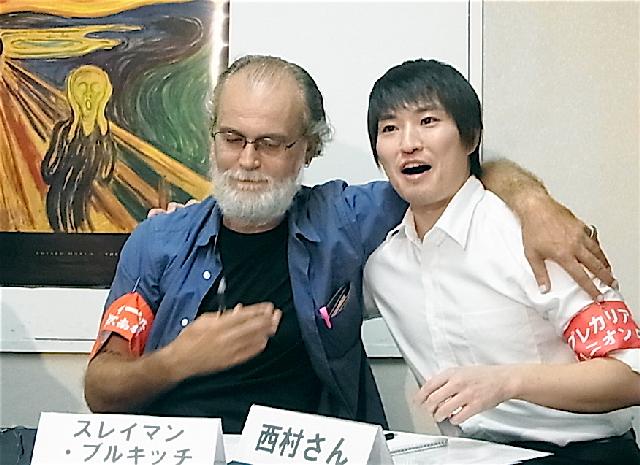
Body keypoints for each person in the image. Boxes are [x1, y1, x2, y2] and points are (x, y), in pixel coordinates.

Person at [84, 55, 612, 434]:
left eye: (271, 143)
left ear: (309, 148)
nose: (247, 161)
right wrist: (176, 361)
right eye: (232, 138)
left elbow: (453, 170)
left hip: (305, 451)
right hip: (183, 450)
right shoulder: (158, 241)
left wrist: (534, 203)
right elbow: (100, 390)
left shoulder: (344, 219)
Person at [363, 58, 640, 463]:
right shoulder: (383, 265)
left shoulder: (534, 236)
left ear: (471, 138)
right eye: (389, 128)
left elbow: (630, 375)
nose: (408, 143)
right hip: (471, 456)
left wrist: (509, 381)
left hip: (584, 454)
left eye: (428, 121)